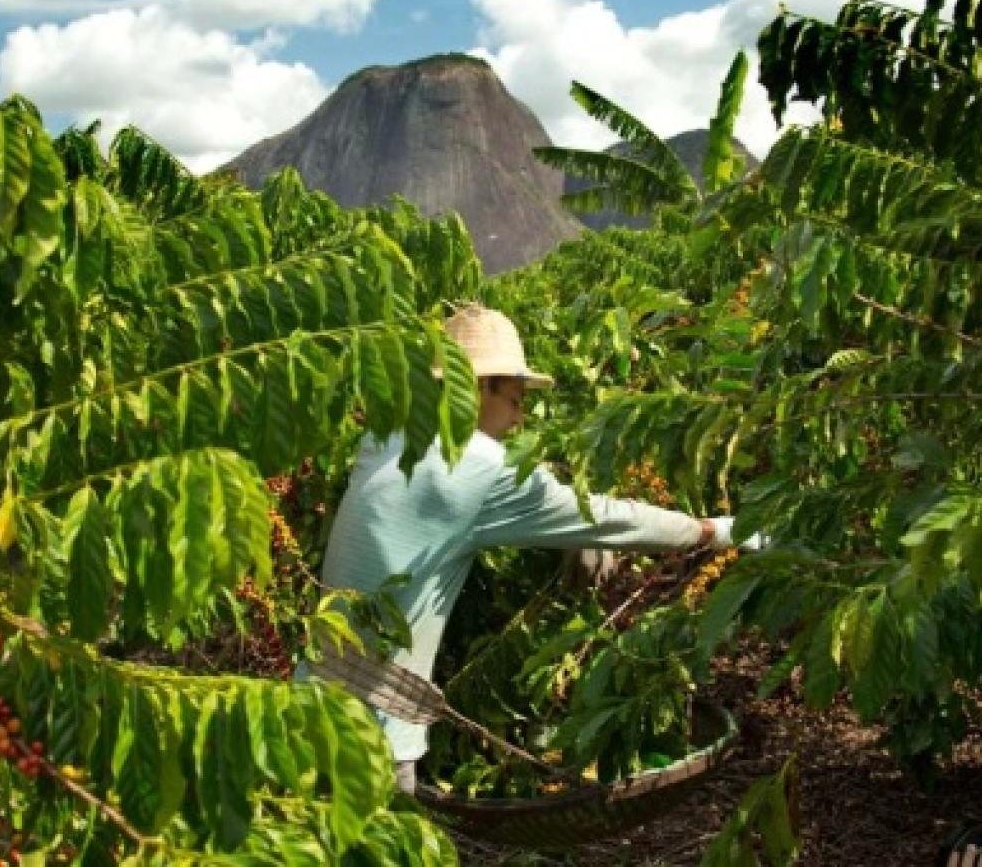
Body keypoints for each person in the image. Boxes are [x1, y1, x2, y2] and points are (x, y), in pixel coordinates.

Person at [313, 304, 750, 793]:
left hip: (305, 705)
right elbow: (608, 517)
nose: (520, 421)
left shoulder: (387, 436)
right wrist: (708, 531)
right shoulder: (479, 466)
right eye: (517, 401)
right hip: (375, 737)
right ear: (479, 387)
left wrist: (563, 526)